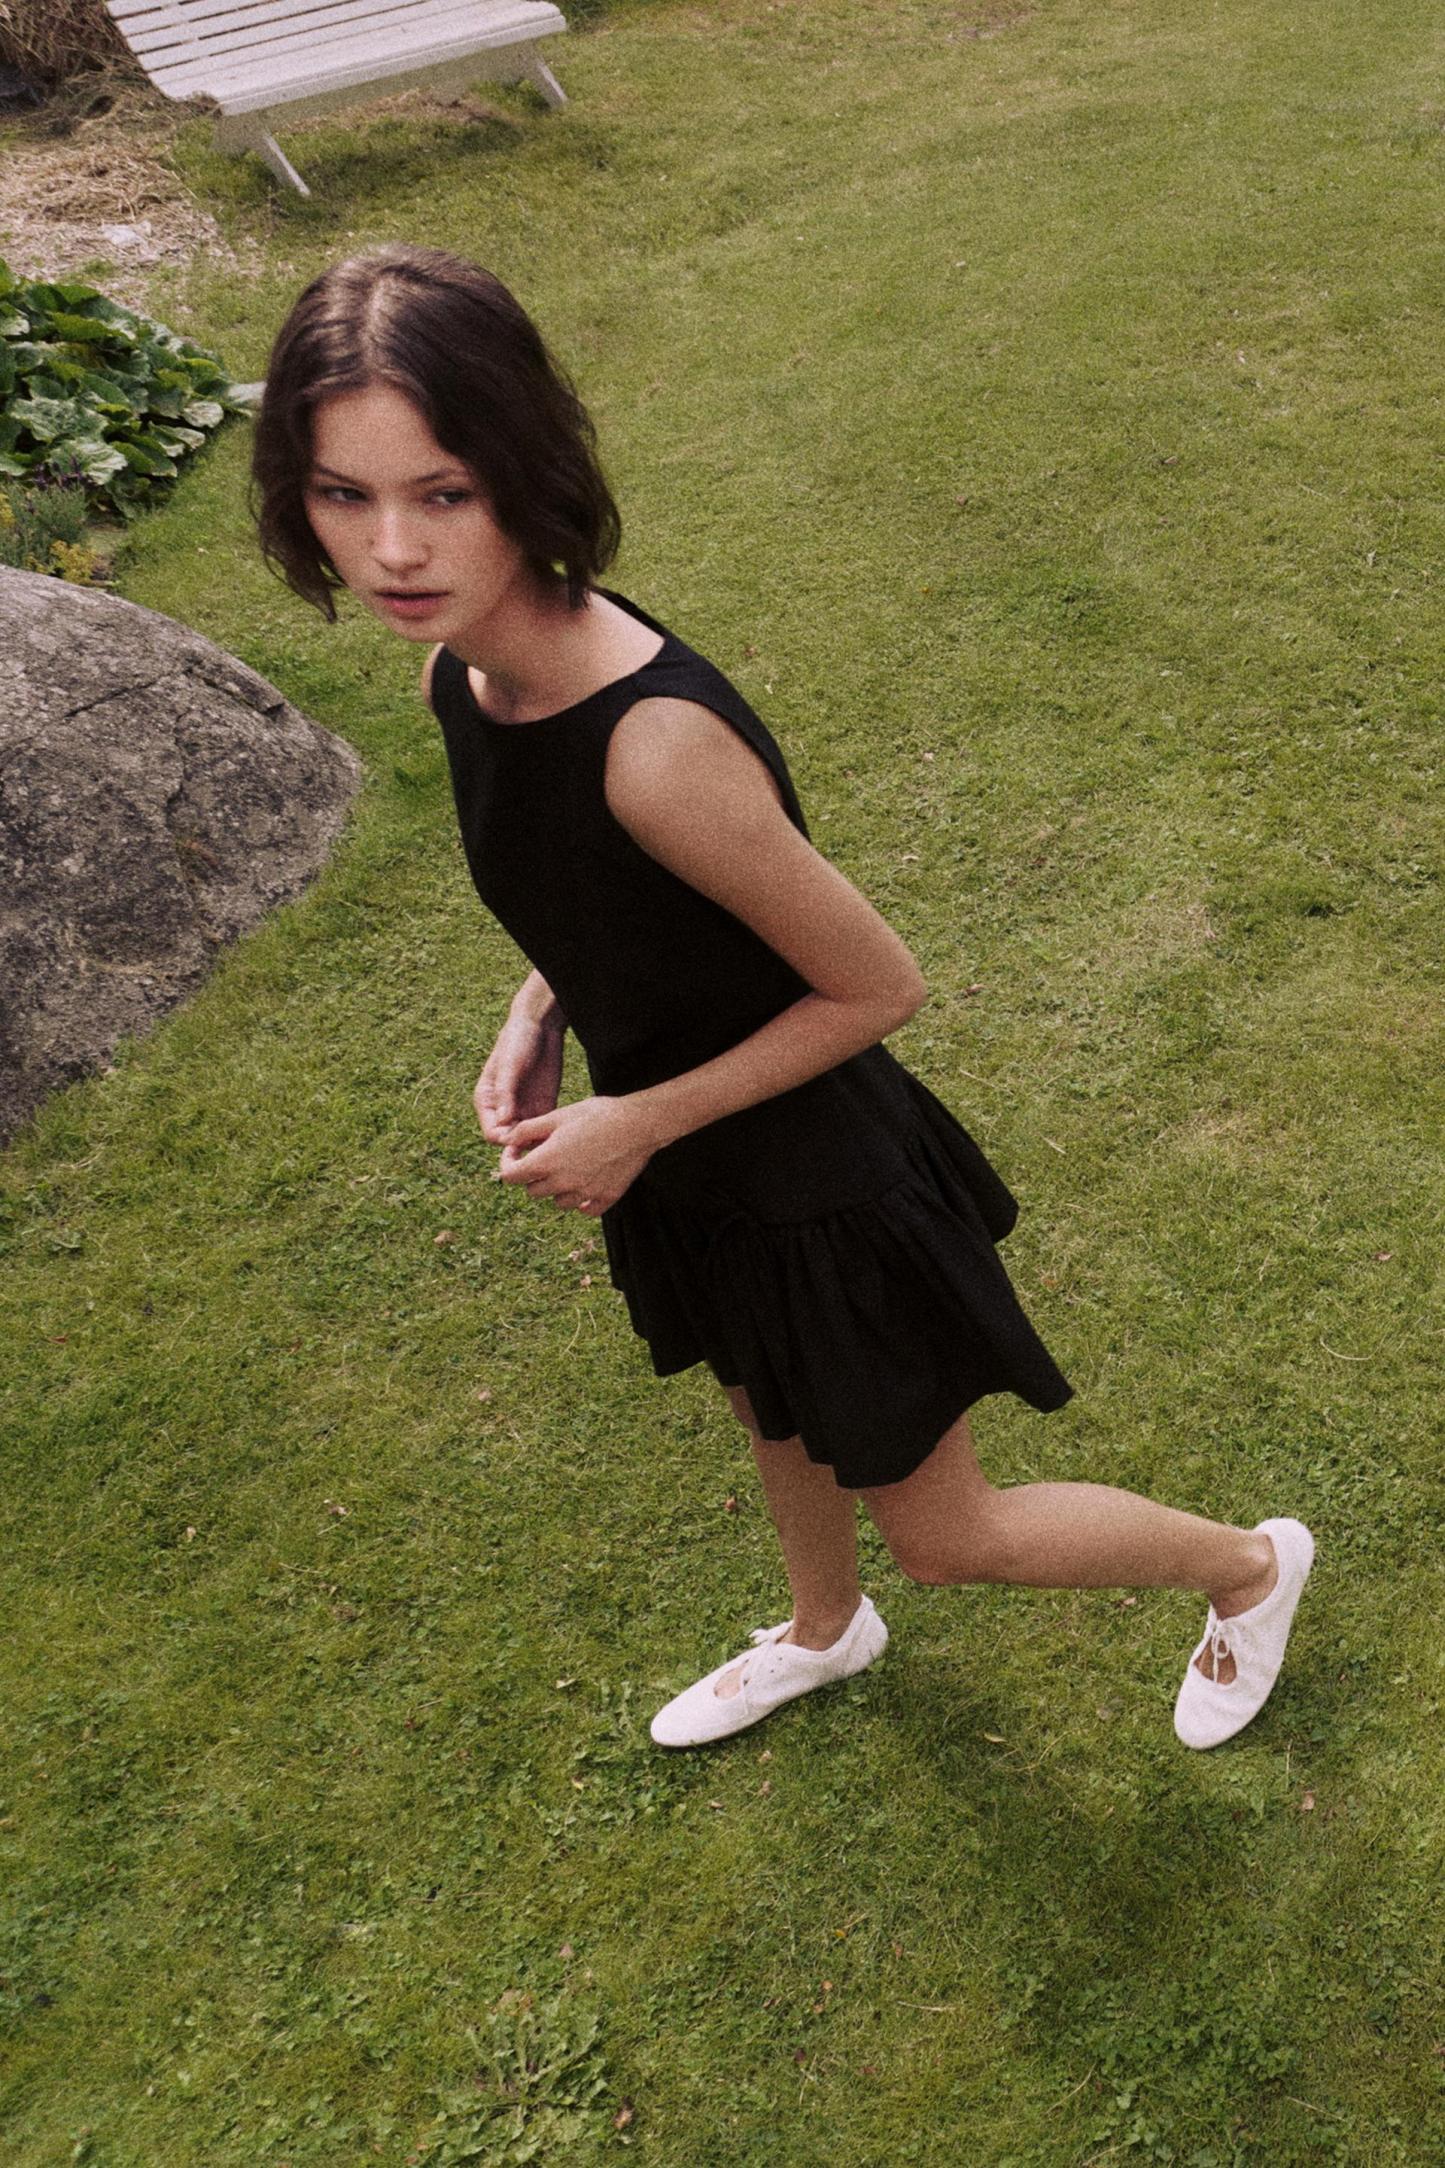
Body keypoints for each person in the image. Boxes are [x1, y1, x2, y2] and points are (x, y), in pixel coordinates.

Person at [251, 245, 1313, 1754]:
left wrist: (635, 1121)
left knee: (949, 1533)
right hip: (692, 1159)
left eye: (445, 492)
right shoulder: (467, 681)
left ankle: (1251, 1567)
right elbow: (600, 892)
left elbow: (878, 985)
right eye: (343, 495)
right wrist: (541, 1010)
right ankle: (826, 1629)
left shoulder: (654, 746)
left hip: (815, 1179)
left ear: (526, 471)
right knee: (768, 1404)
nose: (394, 549)